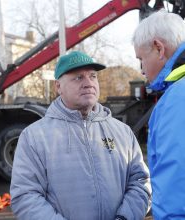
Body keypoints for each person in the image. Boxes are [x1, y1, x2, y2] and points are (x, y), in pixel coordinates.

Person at [10, 50, 151, 220]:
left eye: (92, 76)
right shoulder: (34, 137)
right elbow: (25, 196)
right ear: (58, 87)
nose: (88, 83)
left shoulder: (122, 132)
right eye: (78, 77)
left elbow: (140, 182)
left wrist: (125, 217)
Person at [133, 10, 185, 219]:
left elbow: (177, 178)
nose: (142, 69)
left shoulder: (177, 99)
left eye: (141, 59)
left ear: (159, 48)